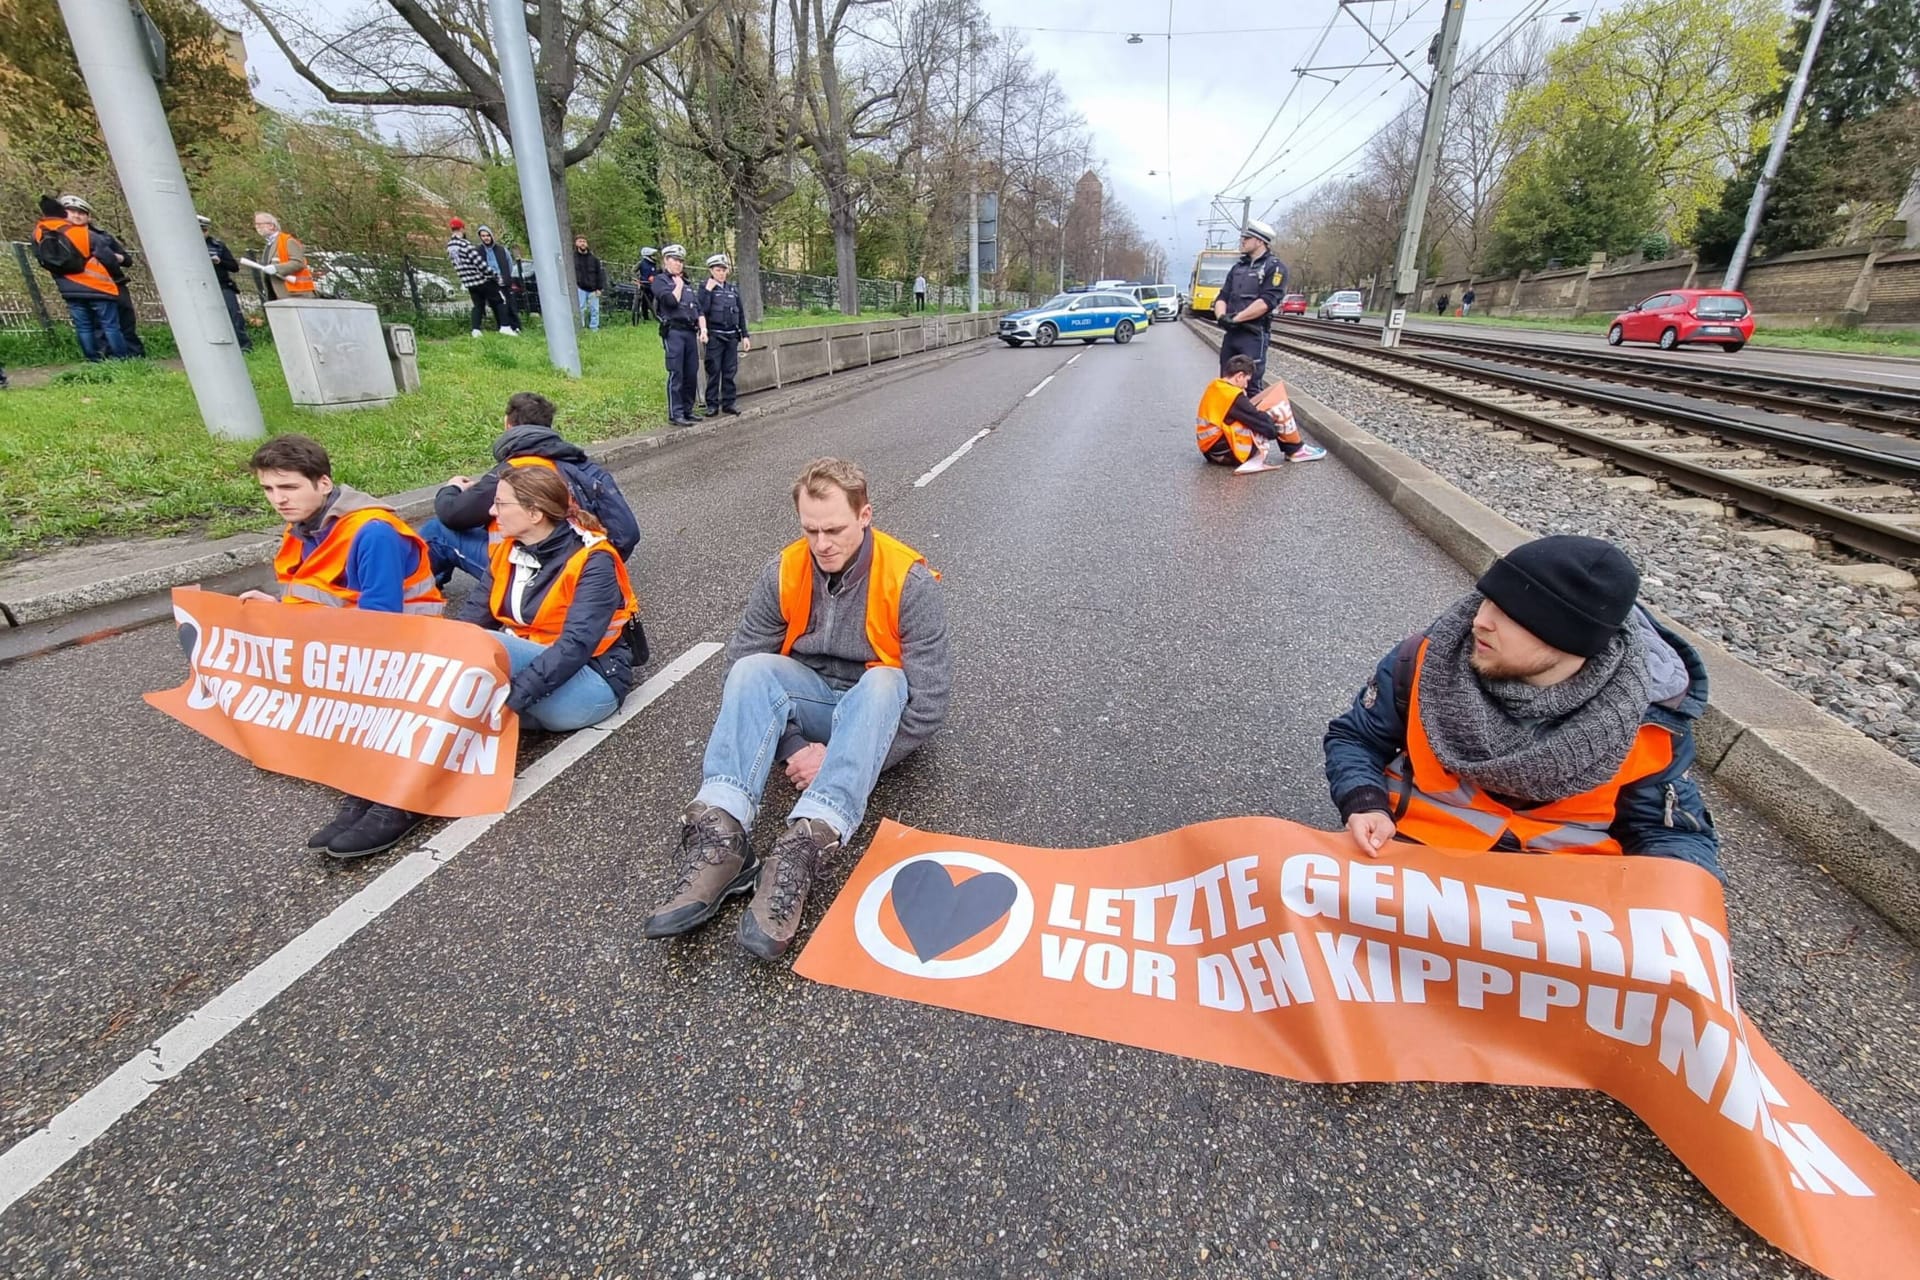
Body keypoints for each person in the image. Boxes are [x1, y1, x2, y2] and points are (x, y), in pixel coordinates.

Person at [643, 458, 951, 960]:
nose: (822, 544)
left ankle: (807, 840)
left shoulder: (910, 582)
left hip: (873, 710)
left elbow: (928, 704)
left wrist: (835, 757)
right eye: (811, 530)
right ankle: (723, 833)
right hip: (808, 700)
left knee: (885, 680)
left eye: (834, 529)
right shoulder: (784, 570)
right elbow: (741, 660)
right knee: (750, 670)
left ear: (865, 515)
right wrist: (792, 747)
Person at [1323, 535, 1719, 877]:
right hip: (1415, 859)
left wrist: (1676, 907)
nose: (1479, 621)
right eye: (1487, 601)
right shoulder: (1427, 659)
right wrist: (1364, 802)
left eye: (1511, 615)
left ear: (1569, 640)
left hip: (1559, 903)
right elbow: (1357, 737)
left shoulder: (1649, 721)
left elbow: (1671, 833)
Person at [238, 434, 444, 859]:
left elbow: (379, 624)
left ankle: (401, 798)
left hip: (410, 647)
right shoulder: (305, 529)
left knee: (379, 712)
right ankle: (366, 787)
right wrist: (277, 609)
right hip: (354, 642)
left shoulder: (372, 533)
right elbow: (326, 599)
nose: (278, 499)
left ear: (324, 484)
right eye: (269, 489)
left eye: (289, 487)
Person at [453, 465, 640, 732]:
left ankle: (508, 714)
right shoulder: (507, 552)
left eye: (500, 504)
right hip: (541, 675)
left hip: (592, 682)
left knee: (483, 644)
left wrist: (510, 700)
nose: (492, 512)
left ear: (535, 513)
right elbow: (470, 620)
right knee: (462, 640)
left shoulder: (594, 560)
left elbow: (575, 646)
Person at [417, 391, 639, 586]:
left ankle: (418, 592)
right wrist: (598, 568)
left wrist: (451, 489)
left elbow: (454, 514)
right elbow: (627, 533)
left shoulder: (513, 471)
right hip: (583, 565)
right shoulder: (583, 465)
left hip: (531, 572)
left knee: (438, 530)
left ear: (508, 425)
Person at [32, 195, 130, 362]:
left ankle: (93, 361)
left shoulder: (37, 234)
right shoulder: (81, 232)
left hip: (68, 288)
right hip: (98, 287)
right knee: (111, 326)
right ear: (63, 213)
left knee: (84, 327)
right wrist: (116, 275)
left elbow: (42, 259)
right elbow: (108, 257)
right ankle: (123, 360)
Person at [1195, 354, 1326, 473]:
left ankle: (1294, 448)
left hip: (1211, 450)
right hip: (1225, 454)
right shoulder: (1233, 396)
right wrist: (1274, 423)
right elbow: (1268, 430)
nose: (1246, 385)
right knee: (1278, 409)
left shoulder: (1216, 385)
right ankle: (1296, 449)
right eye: (1246, 380)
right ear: (1239, 376)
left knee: (1259, 416)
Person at [1212, 219, 1286, 390]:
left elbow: (1266, 302)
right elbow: (1222, 296)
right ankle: (1228, 417)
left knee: (1251, 384)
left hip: (1253, 335)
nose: (1242, 241)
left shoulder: (1275, 268)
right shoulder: (1237, 268)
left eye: (1247, 238)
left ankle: (1250, 416)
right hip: (1232, 334)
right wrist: (1222, 317)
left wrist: (1236, 319)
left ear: (1260, 241)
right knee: (1226, 382)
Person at [697, 252, 751, 418]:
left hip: (731, 336)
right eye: (718, 270)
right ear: (711, 271)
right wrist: (707, 291)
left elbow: (740, 313)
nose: (721, 273)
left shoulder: (733, 290)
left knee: (729, 371)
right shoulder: (705, 288)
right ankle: (712, 405)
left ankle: (729, 403)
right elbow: (701, 311)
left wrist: (745, 335)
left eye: (723, 269)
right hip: (715, 336)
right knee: (714, 371)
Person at [651, 245, 700, 426]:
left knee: (691, 372)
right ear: (666, 260)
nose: (679, 264)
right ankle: (676, 413)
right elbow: (671, 302)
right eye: (675, 260)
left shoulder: (687, 284)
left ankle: (688, 409)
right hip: (673, 332)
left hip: (689, 332)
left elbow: (695, 308)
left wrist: (701, 326)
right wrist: (678, 285)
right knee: (676, 372)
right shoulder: (660, 281)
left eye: (681, 261)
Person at [447, 218, 516, 337]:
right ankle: (505, 326)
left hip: (468, 282)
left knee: (478, 305)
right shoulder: (465, 244)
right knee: (501, 300)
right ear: (462, 229)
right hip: (480, 280)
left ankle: (476, 330)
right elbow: (479, 263)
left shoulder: (450, 247)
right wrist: (494, 274)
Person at [199, 214, 253, 351]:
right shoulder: (185, 247)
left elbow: (234, 267)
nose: (203, 233)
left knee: (235, 317)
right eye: (200, 230)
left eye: (205, 230)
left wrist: (219, 261)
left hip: (222, 285)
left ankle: (244, 347)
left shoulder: (218, 246)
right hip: (201, 288)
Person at [252, 212, 314, 301]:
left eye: (259, 224)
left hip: (295, 294)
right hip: (277, 294)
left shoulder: (288, 241)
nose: (257, 227)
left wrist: (276, 268)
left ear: (271, 226)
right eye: (256, 224)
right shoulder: (269, 245)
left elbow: (299, 263)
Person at [474, 226, 522, 333]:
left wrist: (506, 277)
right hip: (489, 282)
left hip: (504, 280)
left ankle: (515, 326)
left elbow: (509, 264)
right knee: (497, 305)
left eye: (487, 235)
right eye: (483, 236)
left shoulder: (502, 250)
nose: (486, 238)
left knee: (510, 304)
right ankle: (502, 326)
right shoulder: (478, 251)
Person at [574, 235, 604, 332]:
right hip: (579, 288)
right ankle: (580, 328)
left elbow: (599, 274)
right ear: (576, 243)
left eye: (584, 241)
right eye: (580, 241)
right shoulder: (572, 258)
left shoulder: (594, 259)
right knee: (580, 309)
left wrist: (599, 288)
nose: (582, 243)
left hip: (593, 288)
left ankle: (594, 329)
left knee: (595, 310)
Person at [634, 247, 659, 323]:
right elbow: (633, 271)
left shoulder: (654, 264)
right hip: (644, 284)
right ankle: (645, 317)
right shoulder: (641, 263)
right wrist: (637, 279)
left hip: (653, 284)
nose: (653, 257)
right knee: (644, 301)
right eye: (651, 255)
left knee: (655, 299)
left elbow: (658, 272)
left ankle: (656, 314)